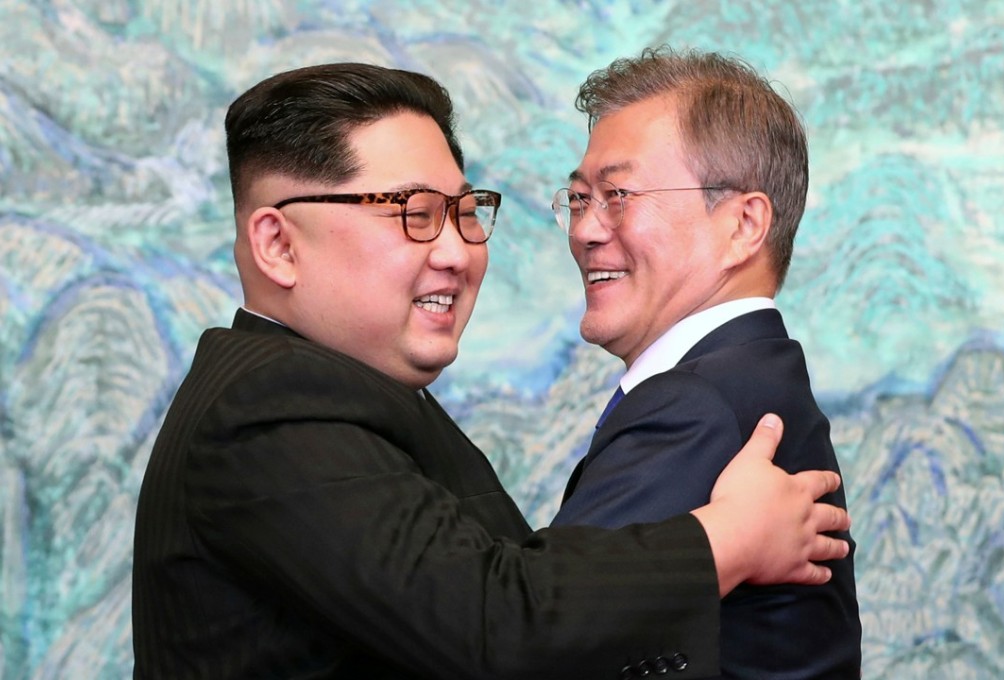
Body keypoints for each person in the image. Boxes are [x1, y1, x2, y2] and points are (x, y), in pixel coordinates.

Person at [132, 62, 851, 680]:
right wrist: (728, 539)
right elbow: (502, 625)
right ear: (278, 246)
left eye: (465, 211)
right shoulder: (270, 407)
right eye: (413, 212)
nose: (457, 249)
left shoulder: (360, 397)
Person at [549, 47, 862, 678]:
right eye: (579, 199)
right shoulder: (750, 381)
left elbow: (540, 632)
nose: (583, 230)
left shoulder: (696, 404)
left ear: (743, 226)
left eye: (618, 194)